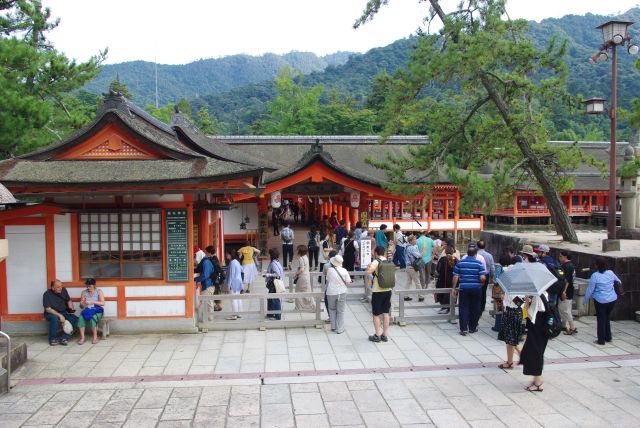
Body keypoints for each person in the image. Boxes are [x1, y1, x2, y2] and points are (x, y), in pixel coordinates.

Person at [451, 243, 487, 336]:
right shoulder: (479, 263)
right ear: (475, 254)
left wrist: (453, 288)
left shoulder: (460, 263)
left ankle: (463, 329)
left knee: (463, 308)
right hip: (476, 288)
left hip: (464, 288)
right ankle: (472, 327)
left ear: (467, 253)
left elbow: (455, 276)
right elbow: (483, 277)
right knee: (475, 307)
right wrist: (481, 284)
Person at [584, 258, 620, 345]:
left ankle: (601, 340)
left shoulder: (595, 275)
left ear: (596, 266)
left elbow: (590, 289)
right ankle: (608, 337)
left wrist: (585, 300)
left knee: (601, 319)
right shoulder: (610, 273)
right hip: (612, 299)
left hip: (600, 300)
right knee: (606, 317)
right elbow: (619, 281)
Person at [520, 292, 549, 392]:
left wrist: (527, 302)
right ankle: (536, 379)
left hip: (537, 329)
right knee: (536, 353)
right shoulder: (544, 294)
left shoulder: (537, 297)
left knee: (535, 354)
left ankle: (538, 382)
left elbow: (528, 315)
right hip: (541, 329)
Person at [365, 246, 393, 343]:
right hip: (388, 290)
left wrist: (368, 267)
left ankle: (377, 335)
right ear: (384, 253)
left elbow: (369, 272)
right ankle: (385, 335)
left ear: (376, 253)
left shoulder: (376, 262)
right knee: (386, 313)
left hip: (378, 290)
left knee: (376, 314)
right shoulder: (389, 262)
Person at [43, 279, 78, 346]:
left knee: (73, 318)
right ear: (53, 288)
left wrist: (71, 310)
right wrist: (60, 316)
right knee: (54, 319)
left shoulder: (63, 290)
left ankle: (64, 338)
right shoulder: (47, 294)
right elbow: (48, 309)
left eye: (61, 286)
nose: (60, 288)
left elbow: (69, 300)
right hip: (51, 313)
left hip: (63, 312)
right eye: (58, 287)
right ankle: (52, 339)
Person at [497, 292, 525, 370]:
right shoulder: (510, 287)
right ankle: (515, 359)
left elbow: (521, 304)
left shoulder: (521, 288)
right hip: (508, 312)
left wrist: (511, 297)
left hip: (515, 313)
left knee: (511, 339)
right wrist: (504, 297)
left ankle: (512, 361)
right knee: (509, 339)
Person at [326, 255, 352, 334]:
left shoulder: (329, 270)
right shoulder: (344, 270)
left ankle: (333, 327)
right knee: (340, 311)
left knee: (332, 309)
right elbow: (348, 283)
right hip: (341, 292)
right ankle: (339, 328)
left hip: (331, 292)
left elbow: (328, 279)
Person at [195, 246, 223, 314]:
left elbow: (206, 275)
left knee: (208, 303)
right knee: (207, 302)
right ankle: (208, 318)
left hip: (208, 285)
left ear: (207, 252)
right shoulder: (212, 259)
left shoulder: (206, 262)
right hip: (211, 284)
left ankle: (209, 319)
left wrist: (196, 279)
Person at [77, 278, 105, 345]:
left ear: (94, 285)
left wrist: (93, 302)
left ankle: (95, 337)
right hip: (88, 311)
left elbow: (102, 303)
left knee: (93, 318)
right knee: (81, 318)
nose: (88, 287)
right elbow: (81, 306)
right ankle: (82, 338)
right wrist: (81, 304)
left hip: (97, 311)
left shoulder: (99, 291)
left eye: (90, 286)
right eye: (87, 285)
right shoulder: (84, 292)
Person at [558, 251, 577, 335]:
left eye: (561, 256)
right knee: (566, 308)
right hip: (570, 289)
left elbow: (567, 280)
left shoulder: (567, 266)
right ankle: (563, 325)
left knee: (564, 309)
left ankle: (572, 327)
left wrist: (564, 291)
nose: (559, 258)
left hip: (567, 290)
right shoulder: (571, 265)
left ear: (565, 257)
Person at [435, 246, 457, 314]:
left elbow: (438, 269)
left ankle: (444, 307)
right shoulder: (456, 259)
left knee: (443, 292)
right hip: (453, 280)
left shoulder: (442, 259)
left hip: (443, 280)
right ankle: (449, 307)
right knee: (450, 293)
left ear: (445, 251)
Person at [264, 248, 284, 321]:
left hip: (274, 283)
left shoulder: (273, 263)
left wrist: (268, 275)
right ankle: (270, 313)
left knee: (275, 299)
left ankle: (277, 316)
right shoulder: (277, 262)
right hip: (275, 283)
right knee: (270, 298)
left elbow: (277, 274)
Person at [294, 245, 315, 311]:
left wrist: (296, 273)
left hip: (302, 277)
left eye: (298, 249)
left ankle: (299, 307)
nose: (296, 251)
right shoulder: (305, 257)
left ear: (300, 251)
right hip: (306, 276)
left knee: (298, 291)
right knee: (307, 291)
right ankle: (312, 307)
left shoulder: (301, 258)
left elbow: (302, 269)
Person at [476, 240, 495, 315]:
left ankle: (476, 305)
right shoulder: (489, 255)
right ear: (485, 246)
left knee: (476, 290)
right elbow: (492, 267)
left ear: (477, 246)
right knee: (484, 291)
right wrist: (493, 277)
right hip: (486, 275)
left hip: (476, 275)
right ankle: (482, 307)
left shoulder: (475, 254)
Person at [225, 251, 243, 320]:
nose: (226, 256)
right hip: (238, 281)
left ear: (230, 255)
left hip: (233, 282)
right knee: (238, 298)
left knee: (233, 299)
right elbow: (242, 270)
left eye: (227, 254)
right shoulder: (237, 262)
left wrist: (228, 286)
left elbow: (231, 275)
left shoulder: (232, 263)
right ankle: (239, 313)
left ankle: (234, 315)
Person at [404, 235, 423, 302]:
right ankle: (421, 296)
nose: (416, 241)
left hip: (408, 266)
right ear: (411, 241)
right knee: (417, 282)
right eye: (414, 239)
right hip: (413, 267)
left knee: (408, 282)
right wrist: (422, 251)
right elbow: (419, 256)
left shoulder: (406, 246)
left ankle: (405, 296)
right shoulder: (412, 248)